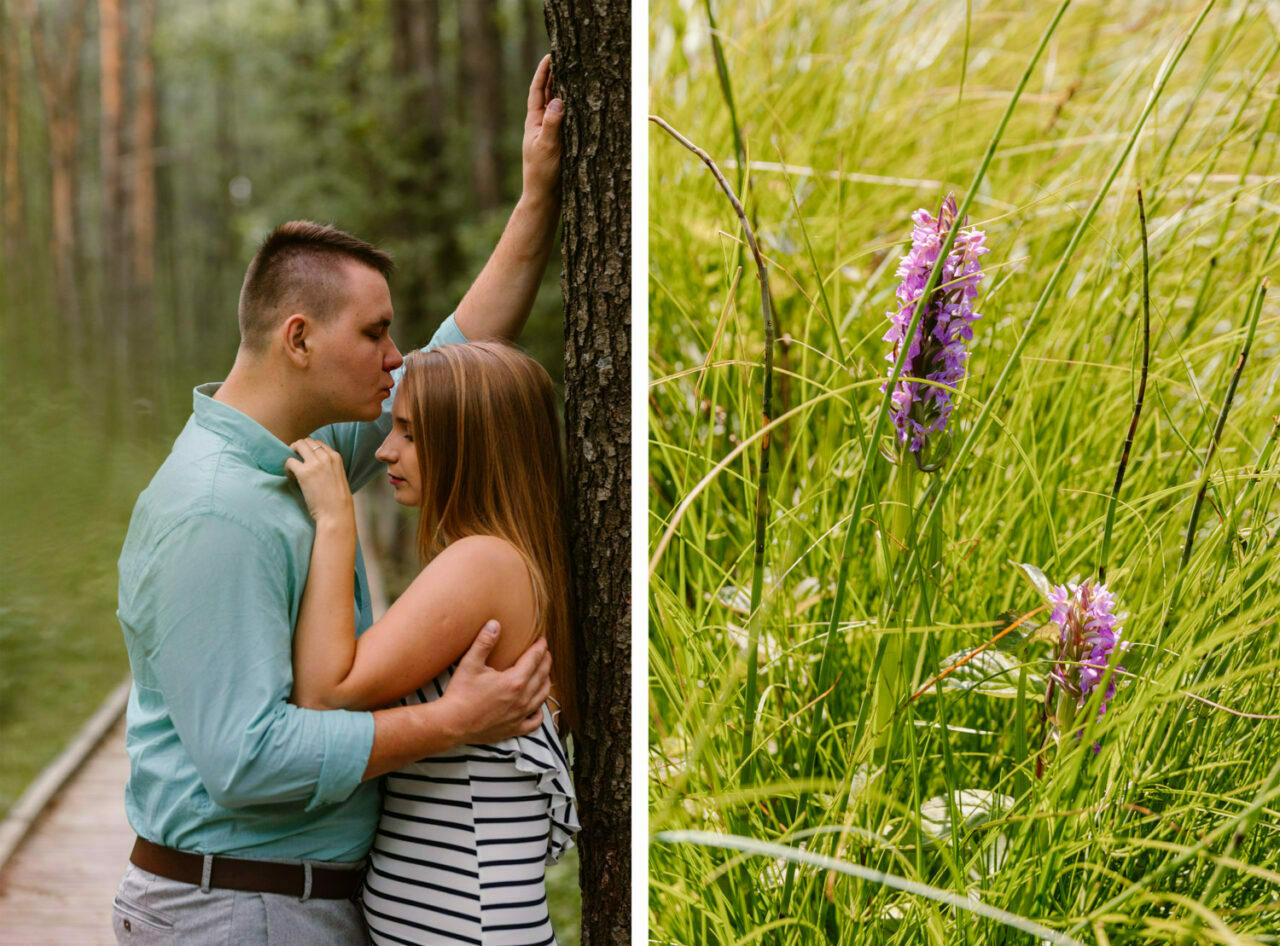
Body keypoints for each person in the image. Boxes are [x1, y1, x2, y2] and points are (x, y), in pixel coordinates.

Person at [112, 57, 564, 946]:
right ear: (299, 339)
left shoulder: (299, 459)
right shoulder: (218, 509)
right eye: (374, 332)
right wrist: (451, 722)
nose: (396, 356)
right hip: (237, 912)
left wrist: (535, 198)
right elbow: (248, 759)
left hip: (281, 905)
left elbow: (457, 359)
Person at [285, 342, 578, 945]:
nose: (386, 449)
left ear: (472, 444)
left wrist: (337, 519)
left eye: (410, 433)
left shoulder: (483, 563)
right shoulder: (499, 560)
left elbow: (324, 692)